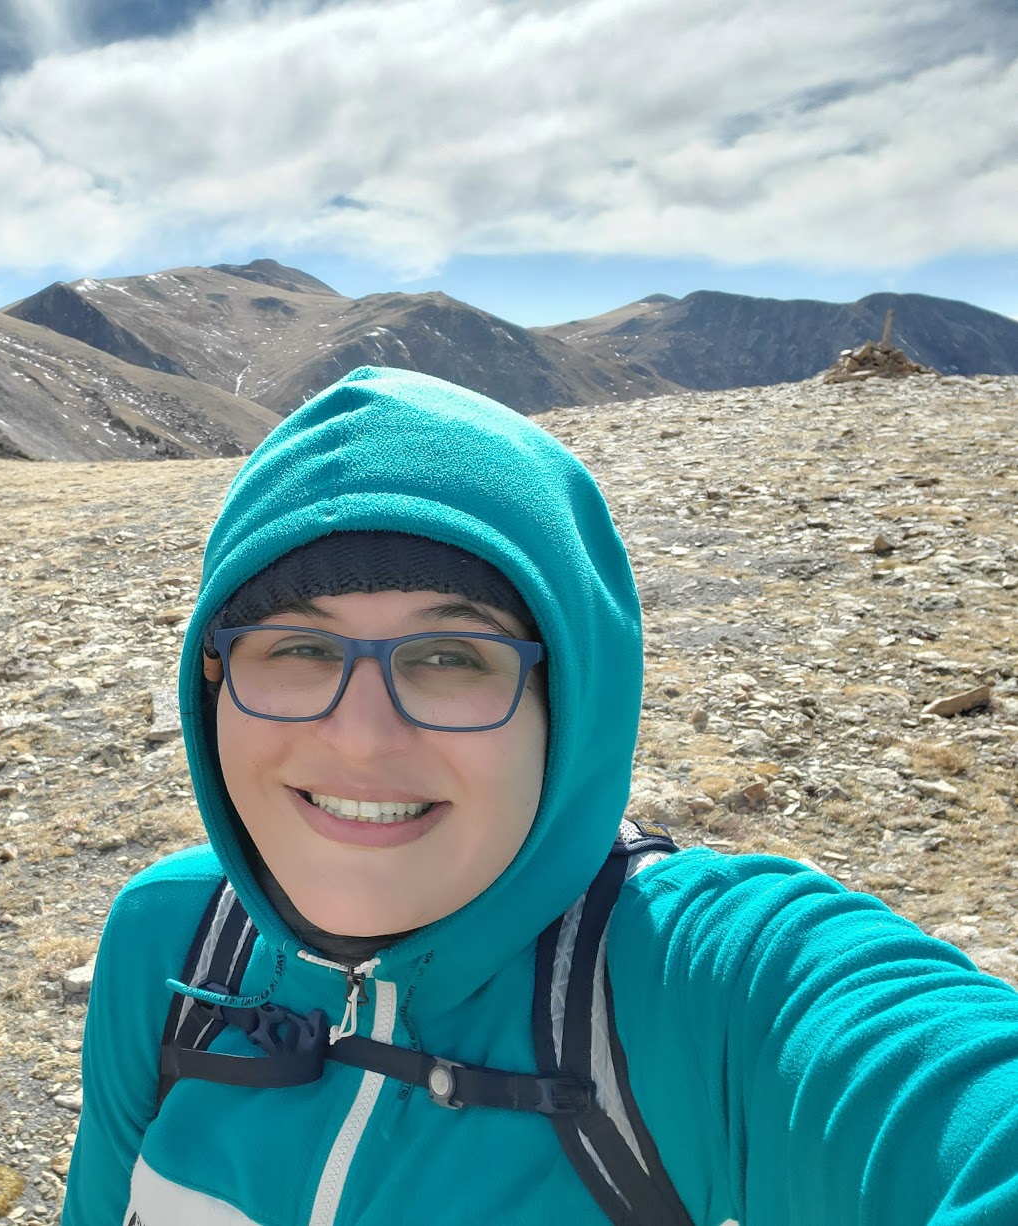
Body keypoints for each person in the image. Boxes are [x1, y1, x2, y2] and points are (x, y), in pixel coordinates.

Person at [60, 366, 1018, 1225]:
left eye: (449, 657)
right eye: (299, 649)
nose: (358, 736)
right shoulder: (169, 938)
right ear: (211, 682)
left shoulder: (697, 988)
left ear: (569, 704)